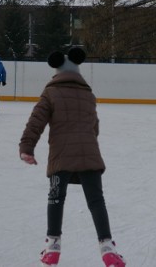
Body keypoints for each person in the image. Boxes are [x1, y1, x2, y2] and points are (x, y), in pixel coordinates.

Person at [18, 47, 126, 267]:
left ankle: (52, 246)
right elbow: (94, 126)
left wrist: (27, 147)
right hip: (89, 155)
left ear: (56, 70)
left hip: (61, 156)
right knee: (96, 201)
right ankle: (107, 248)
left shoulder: (51, 92)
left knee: (56, 199)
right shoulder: (88, 94)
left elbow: (36, 121)